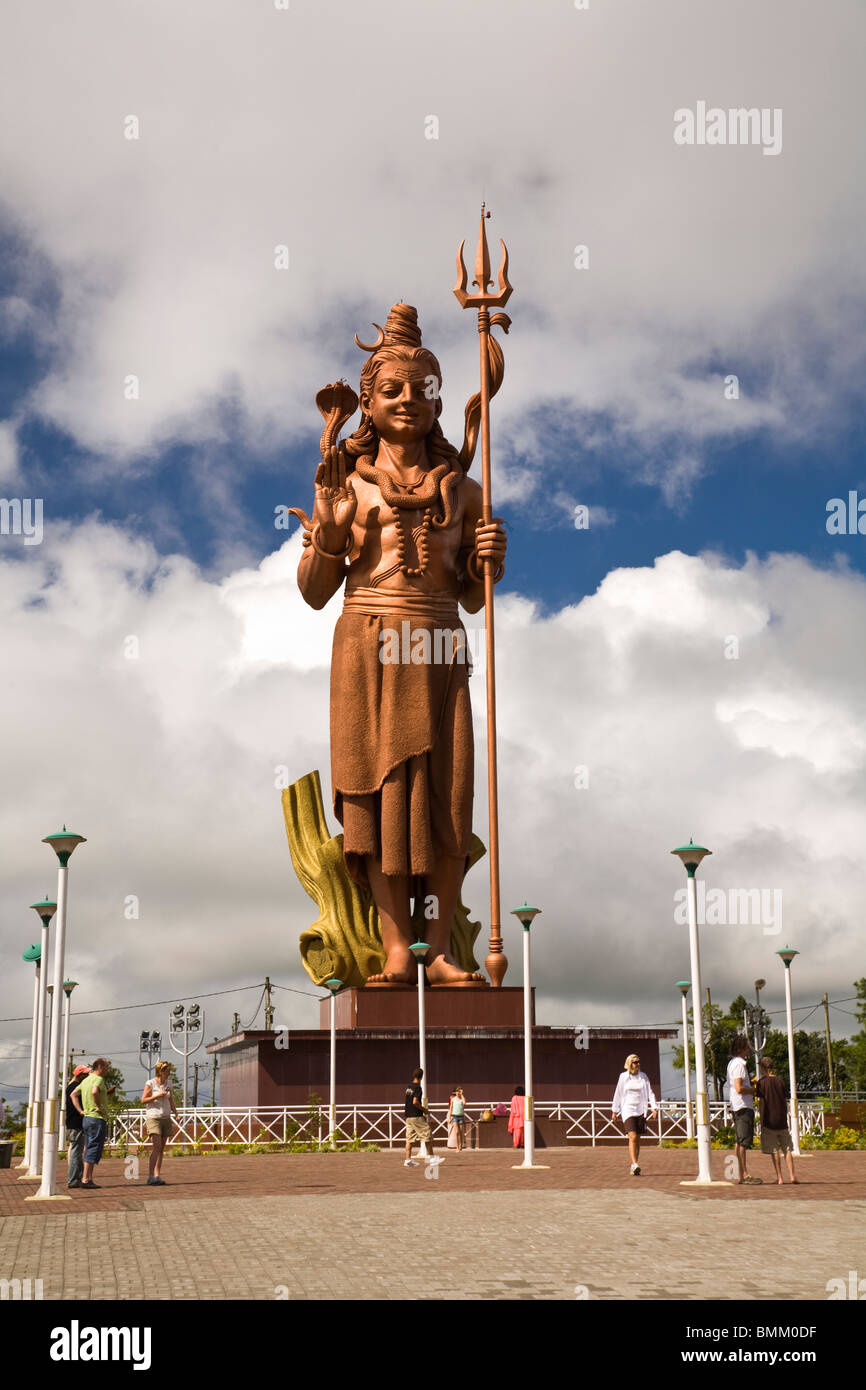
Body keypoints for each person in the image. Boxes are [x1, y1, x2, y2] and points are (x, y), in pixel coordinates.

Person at [292, 302, 507, 985]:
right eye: (393, 389)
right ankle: (393, 947)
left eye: (424, 389)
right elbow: (315, 590)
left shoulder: (467, 491)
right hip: (367, 642)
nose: (410, 400)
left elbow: (475, 596)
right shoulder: (345, 482)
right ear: (367, 401)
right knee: (377, 802)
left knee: (446, 800)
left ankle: (438, 949)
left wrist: (489, 560)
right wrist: (327, 535)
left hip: (439, 641)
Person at [611, 1054, 658, 1176]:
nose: (638, 1064)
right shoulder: (623, 1077)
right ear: (629, 1064)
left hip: (641, 1109)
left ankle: (634, 1165)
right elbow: (618, 1093)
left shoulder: (643, 1077)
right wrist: (614, 1111)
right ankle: (635, 1163)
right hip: (627, 1109)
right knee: (632, 1136)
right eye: (635, 1062)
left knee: (637, 1139)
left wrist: (654, 1107)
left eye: (639, 1062)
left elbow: (650, 1093)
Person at [755, 1056, 798, 1185]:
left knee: (774, 1151)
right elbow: (785, 1098)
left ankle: (779, 1177)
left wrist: (761, 1120)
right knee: (787, 1149)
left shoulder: (761, 1083)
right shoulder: (780, 1081)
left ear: (762, 1068)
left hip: (769, 1120)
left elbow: (760, 1101)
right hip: (782, 1120)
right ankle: (792, 1175)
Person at [726, 1035, 762, 1185]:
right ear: (741, 1048)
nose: (749, 1049)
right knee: (743, 1142)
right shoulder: (740, 1064)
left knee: (739, 1141)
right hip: (742, 1106)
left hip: (737, 1105)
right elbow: (739, 1087)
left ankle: (740, 1174)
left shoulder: (732, 1063)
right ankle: (744, 1174)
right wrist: (754, 1090)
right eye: (747, 1047)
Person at [70, 1057, 111, 1189]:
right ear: (101, 1067)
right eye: (107, 1067)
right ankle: (86, 1179)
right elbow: (94, 1091)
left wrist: (81, 1111)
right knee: (93, 1146)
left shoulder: (86, 1080)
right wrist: (99, 1106)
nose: (108, 1069)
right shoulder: (98, 1079)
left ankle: (88, 1177)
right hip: (96, 1118)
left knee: (88, 1146)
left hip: (87, 1118)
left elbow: (73, 1094)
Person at [141, 1060, 178, 1186]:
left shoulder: (169, 1083)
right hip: (154, 1117)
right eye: (167, 1071)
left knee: (161, 1148)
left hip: (166, 1117)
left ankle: (157, 1175)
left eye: (169, 1071)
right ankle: (150, 1176)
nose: (169, 1073)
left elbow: (171, 1099)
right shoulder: (150, 1083)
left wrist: (176, 1113)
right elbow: (144, 1100)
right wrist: (157, 1096)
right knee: (156, 1146)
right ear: (160, 1071)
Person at [403, 1067, 442, 1168]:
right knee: (427, 1134)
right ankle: (432, 1159)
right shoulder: (417, 1087)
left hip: (408, 1116)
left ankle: (407, 1160)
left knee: (409, 1139)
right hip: (417, 1116)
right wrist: (424, 1110)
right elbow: (415, 1101)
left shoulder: (409, 1087)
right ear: (421, 1076)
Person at [65, 1064, 90, 1189]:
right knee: (76, 1152)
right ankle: (73, 1179)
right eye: (85, 1074)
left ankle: (76, 1178)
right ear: (80, 1075)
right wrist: (81, 1111)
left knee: (77, 1151)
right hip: (76, 1123)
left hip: (73, 1123)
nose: (87, 1076)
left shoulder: (70, 1086)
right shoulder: (75, 1087)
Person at [447, 1086, 466, 1152]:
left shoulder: (462, 1099)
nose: (458, 1093)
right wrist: (449, 1117)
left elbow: (464, 1103)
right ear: (455, 1092)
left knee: (461, 1132)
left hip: (461, 1116)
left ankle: (460, 1146)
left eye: (459, 1091)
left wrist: (462, 1094)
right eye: (457, 1091)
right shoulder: (453, 1099)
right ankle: (457, 1147)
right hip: (454, 1116)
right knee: (457, 1132)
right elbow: (451, 1108)